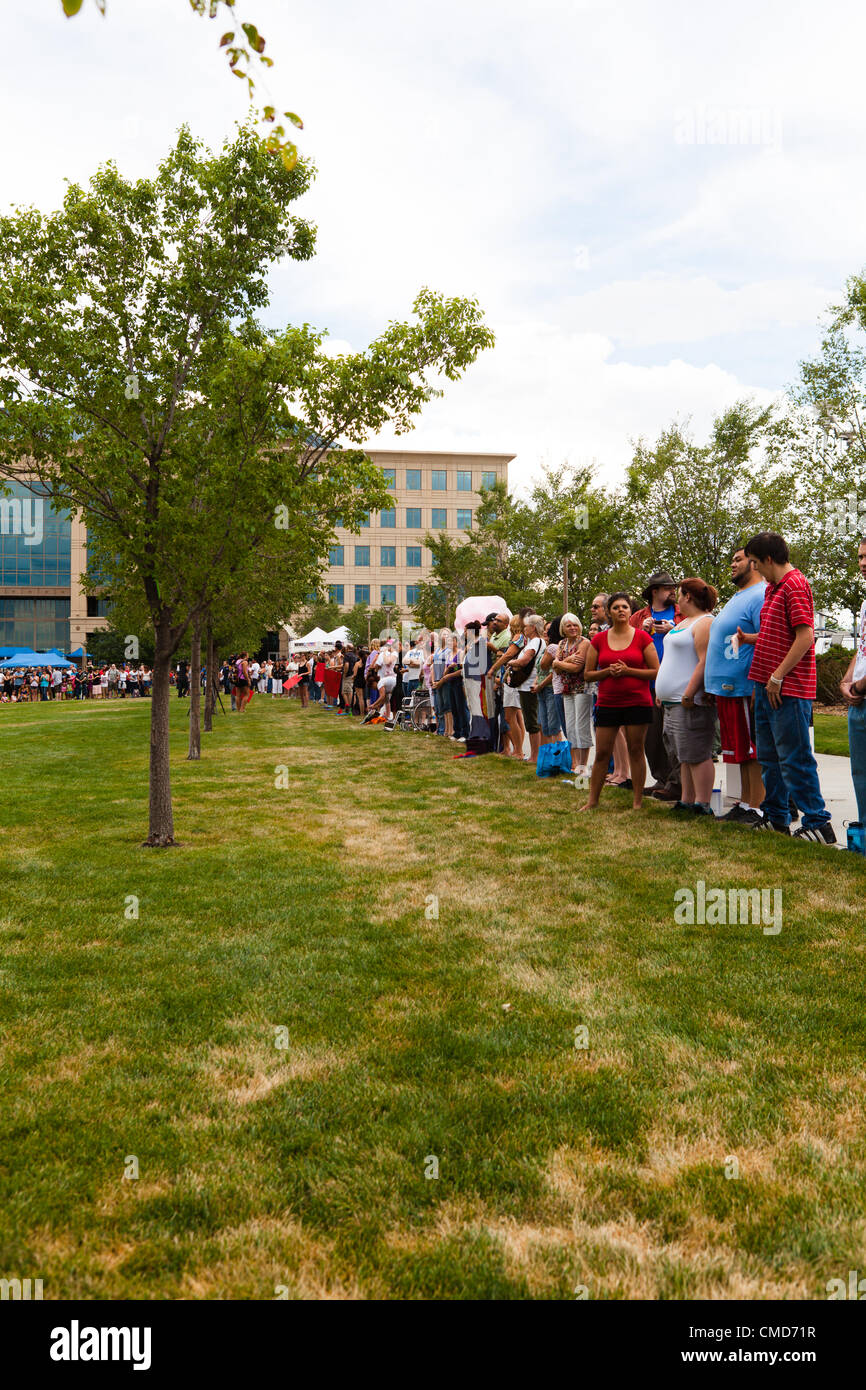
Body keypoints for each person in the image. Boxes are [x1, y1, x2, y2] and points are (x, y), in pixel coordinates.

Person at [740, 532, 834, 842]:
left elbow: (805, 637)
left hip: (788, 689)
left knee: (795, 758)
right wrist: (752, 641)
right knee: (769, 757)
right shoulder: (772, 588)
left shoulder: (795, 585)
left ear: (768, 559)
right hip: (766, 687)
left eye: (755, 562)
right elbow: (775, 633)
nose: (754, 568)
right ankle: (777, 817)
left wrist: (778, 676)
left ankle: (818, 823)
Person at [704, 547, 767, 826]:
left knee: (752, 750)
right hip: (727, 688)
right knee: (739, 751)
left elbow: (764, 641)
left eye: (737, 560)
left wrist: (757, 683)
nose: (732, 564)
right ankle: (744, 802)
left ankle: (758, 807)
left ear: (754, 563)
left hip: (744, 686)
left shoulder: (760, 594)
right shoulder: (739, 596)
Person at [579, 592, 659, 810]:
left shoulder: (643, 637)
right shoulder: (598, 640)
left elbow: (655, 672)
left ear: (630, 610)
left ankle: (637, 801)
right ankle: (593, 801)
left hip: (637, 702)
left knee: (635, 749)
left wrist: (627, 670)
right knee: (603, 752)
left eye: (624, 606)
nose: (621, 610)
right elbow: (587, 675)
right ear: (609, 612)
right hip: (607, 703)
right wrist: (606, 673)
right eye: (616, 607)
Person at [655, 578, 718, 816]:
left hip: (689, 701)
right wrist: (661, 692)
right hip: (671, 701)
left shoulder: (704, 622)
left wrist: (690, 692)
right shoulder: (683, 623)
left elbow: (704, 661)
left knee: (697, 753)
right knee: (683, 755)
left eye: (678, 594)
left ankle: (702, 804)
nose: (676, 598)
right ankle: (686, 800)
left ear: (688, 596)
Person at [630, 571, 681, 801]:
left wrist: (674, 629)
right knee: (651, 737)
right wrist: (641, 631)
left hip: (674, 682)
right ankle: (661, 779)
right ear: (654, 592)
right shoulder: (639, 617)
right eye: (668, 588)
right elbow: (626, 643)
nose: (673, 591)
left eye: (673, 587)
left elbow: (696, 634)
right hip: (646, 682)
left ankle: (677, 783)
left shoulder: (681, 613)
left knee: (672, 735)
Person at [840, 537, 866, 830]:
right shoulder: (865, 603)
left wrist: (860, 686)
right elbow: (863, 647)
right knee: (860, 773)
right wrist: (848, 679)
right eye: (860, 557)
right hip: (858, 702)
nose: (863, 563)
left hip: (863, 695)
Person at [504, 615, 547, 764]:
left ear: (533, 628)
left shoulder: (535, 641)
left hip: (528, 685)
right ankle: (536, 755)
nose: (524, 629)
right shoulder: (535, 641)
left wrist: (511, 662)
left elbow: (525, 660)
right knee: (532, 720)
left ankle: (534, 756)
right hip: (527, 684)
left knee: (531, 722)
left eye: (526, 626)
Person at [554, 613, 592, 774]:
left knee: (581, 726)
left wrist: (560, 662)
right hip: (567, 689)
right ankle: (576, 765)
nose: (572, 628)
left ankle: (583, 766)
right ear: (563, 628)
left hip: (582, 688)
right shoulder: (562, 643)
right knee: (570, 727)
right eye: (568, 625)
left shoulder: (584, 643)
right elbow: (555, 668)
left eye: (575, 624)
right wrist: (568, 660)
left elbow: (577, 668)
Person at [537, 617, 566, 746]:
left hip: (551, 688)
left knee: (554, 726)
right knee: (546, 726)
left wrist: (540, 685)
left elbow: (544, 666)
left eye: (548, 630)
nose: (545, 633)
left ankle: (558, 757)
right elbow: (540, 669)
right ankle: (550, 757)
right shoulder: (551, 647)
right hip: (544, 688)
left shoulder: (554, 647)